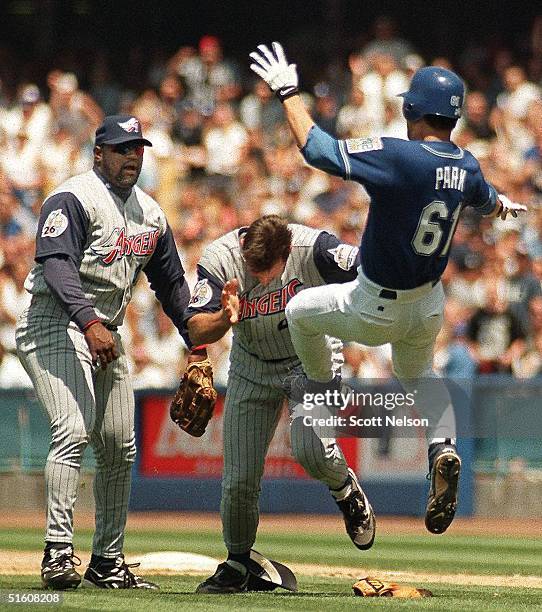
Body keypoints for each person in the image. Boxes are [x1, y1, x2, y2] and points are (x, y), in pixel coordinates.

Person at [249, 43, 527, 535]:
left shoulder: (401, 155)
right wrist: (502, 205)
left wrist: (288, 92)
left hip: (373, 304)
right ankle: (442, 447)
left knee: (298, 311)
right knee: (417, 372)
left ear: (411, 109)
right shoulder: (467, 165)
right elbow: (486, 201)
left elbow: (317, 149)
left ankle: (321, 387)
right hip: (428, 305)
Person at [15, 115, 194, 590]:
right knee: (73, 429)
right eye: (122, 148)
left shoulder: (150, 213)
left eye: (138, 148)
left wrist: (198, 341)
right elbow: (56, 266)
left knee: (119, 445)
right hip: (54, 321)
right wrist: (89, 321)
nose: (132, 156)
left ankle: (107, 560)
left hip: (105, 330)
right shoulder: (73, 197)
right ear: (99, 154)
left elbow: (173, 285)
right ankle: (57, 552)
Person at [184, 215, 375, 594]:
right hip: (250, 363)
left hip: (310, 356)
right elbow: (195, 328)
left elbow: (372, 271)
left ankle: (345, 489)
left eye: (267, 272)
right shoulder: (220, 258)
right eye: (254, 270)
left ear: (287, 252)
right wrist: (225, 316)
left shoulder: (315, 249)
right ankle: (239, 563)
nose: (261, 279)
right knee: (238, 480)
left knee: (311, 451)